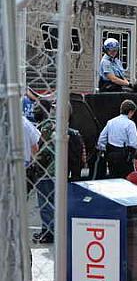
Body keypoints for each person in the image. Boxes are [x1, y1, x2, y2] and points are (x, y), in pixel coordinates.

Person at [31, 101, 87, 244]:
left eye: (54, 108)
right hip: (62, 171)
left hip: (46, 171)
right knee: (57, 203)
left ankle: (49, 232)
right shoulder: (68, 128)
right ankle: (55, 230)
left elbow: (40, 147)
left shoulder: (48, 126)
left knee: (45, 204)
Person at [97, 99, 137, 178]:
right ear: (130, 112)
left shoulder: (110, 122)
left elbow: (101, 139)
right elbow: (134, 144)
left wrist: (104, 149)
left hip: (111, 155)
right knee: (126, 181)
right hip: (124, 157)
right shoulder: (130, 124)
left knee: (113, 178)